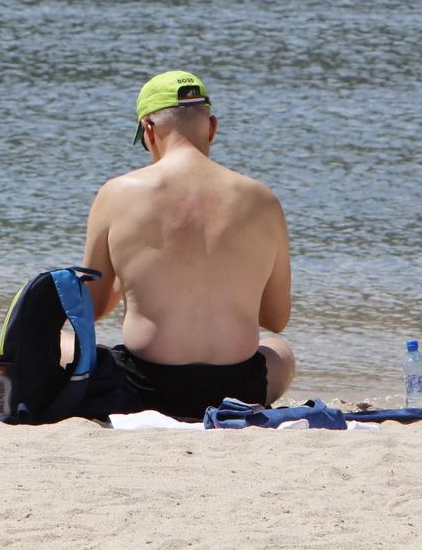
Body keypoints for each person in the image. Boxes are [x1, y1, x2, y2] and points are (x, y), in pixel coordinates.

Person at [80, 71, 296, 421]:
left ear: (149, 131)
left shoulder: (117, 193)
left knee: (61, 342)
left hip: (142, 387)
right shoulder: (262, 199)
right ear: (212, 127)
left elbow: (87, 312)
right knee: (281, 353)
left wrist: (125, 283)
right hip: (238, 387)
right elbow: (276, 318)